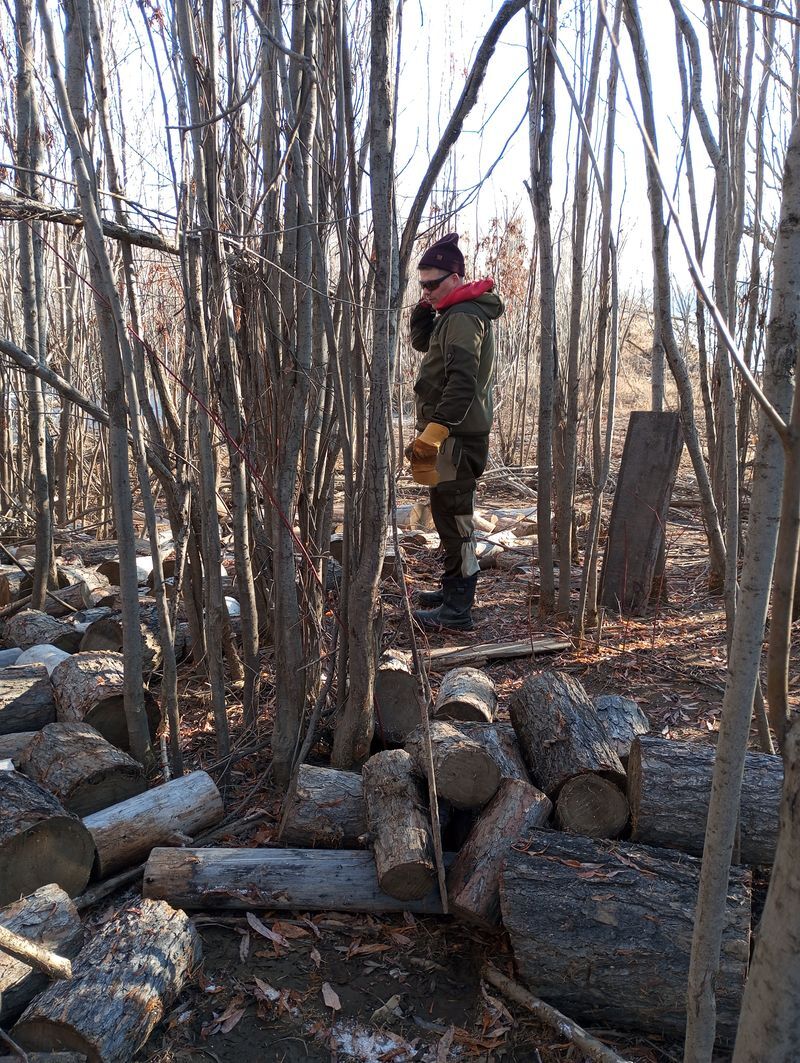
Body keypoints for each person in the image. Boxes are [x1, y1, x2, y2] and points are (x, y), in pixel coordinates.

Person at [405, 232, 504, 631]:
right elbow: (428, 347)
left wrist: (436, 431)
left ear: (456, 277)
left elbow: (462, 381)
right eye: (422, 284)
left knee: (457, 520)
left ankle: (458, 608)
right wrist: (423, 312)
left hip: (456, 438)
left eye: (434, 283)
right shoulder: (453, 313)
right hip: (450, 436)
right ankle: (451, 590)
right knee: (446, 514)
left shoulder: (464, 317)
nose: (427, 291)